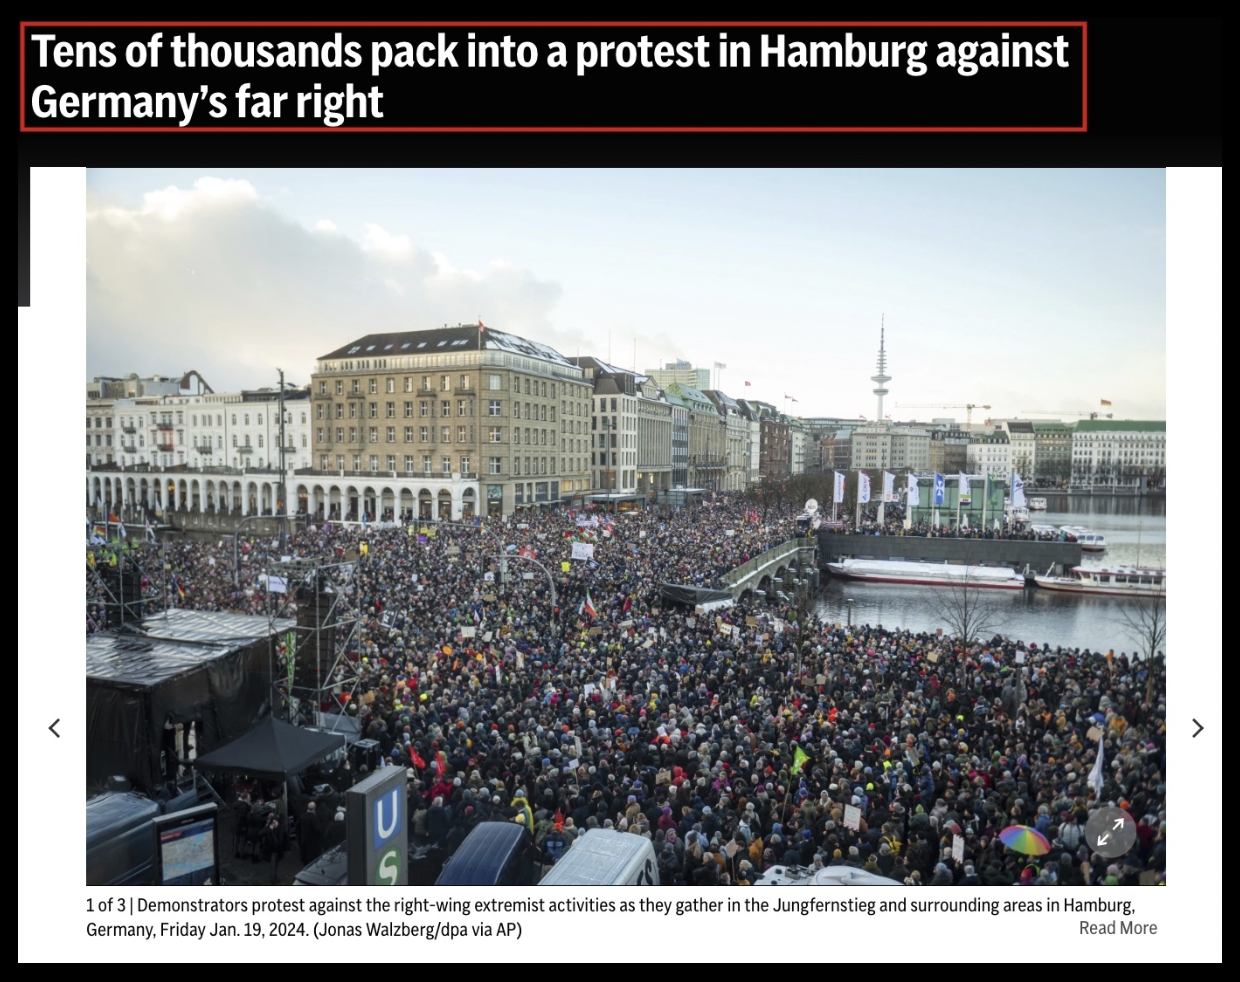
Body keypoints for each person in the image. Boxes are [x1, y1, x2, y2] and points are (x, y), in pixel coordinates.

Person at [260, 816, 289, 884]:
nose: (274, 824)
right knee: (273, 865)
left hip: (278, 849)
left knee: (276, 864)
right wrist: (269, 829)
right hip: (272, 850)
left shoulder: (281, 828)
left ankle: (274, 877)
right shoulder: (269, 828)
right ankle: (273, 878)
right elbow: (260, 833)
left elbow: (285, 837)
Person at [298, 800, 323, 865]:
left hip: (304, 840)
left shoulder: (302, 816)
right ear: (314, 808)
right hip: (313, 842)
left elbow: (297, 827)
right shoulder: (314, 818)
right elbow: (318, 830)